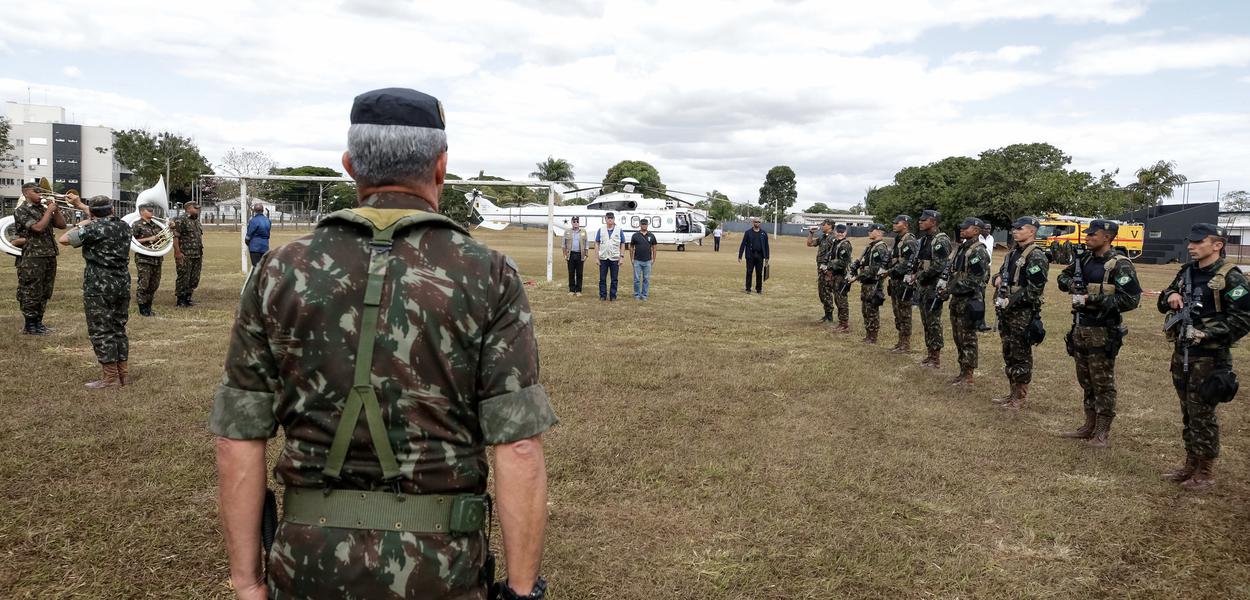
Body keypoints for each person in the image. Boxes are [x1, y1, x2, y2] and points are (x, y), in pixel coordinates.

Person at [211, 87, 557, 600]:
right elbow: (520, 446)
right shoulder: (488, 274)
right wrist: (523, 592)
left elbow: (238, 439)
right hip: (442, 570)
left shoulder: (278, 271)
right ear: (441, 167)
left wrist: (247, 584)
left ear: (351, 165)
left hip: (308, 565)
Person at [1156, 224, 1250, 490]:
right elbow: (1163, 300)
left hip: (1210, 359)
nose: (1191, 246)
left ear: (1217, 245)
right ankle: (1190, 463)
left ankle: (1205, 472)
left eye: (1198, 242)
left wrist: (1206, 333)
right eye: (1191, 242)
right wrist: (1171, 294)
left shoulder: (1231, 277)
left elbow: (1243, 320)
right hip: (1183, 354)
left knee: (1203, 415)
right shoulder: (1187, 272)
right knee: (1188, 412)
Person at [1056, 220, 1142, 448]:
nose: (1088, 237)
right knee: (1086, 380)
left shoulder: (1119, 265)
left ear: (1107, 237)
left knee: (1102, 383)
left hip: (1103, 331)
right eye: (1088, 234)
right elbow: (1061, 278)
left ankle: (1102, 432)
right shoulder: (1083, 259)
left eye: (1093, 235)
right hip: (1080, 327)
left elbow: (1131, 300)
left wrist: (1091, 299)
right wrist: (1072, 286)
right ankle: (1089, 425)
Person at [58, 195, 132, 388]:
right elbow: (103, 219)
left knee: (101, 330)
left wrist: (82, 223)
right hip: (122, 284)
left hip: (99, 286)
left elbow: (64, 239)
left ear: (91, 213)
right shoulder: (124, 226)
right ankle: (123, 374)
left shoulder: (90, 228)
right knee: (118, 328)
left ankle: (110, 378)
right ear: (113, 210)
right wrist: (84, 208)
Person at [991, 216, 1050, 410]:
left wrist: (1011, 300)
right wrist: (997, 279)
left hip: (1022, 312)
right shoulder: (1012, 252)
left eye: (1020, 228)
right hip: (1006, 311)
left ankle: (1020, 396)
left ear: (1032, 231)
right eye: (1014, 228)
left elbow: (1035, 288)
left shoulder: (1035, 255)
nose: (1015, 231)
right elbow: (1000, 274)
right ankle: (1012, 393)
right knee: (1009, 352)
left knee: (1021, 354)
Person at [13, 182, 66, 334]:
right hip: (32, 256)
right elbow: (38, 228)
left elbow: (62, 226)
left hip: (49, 254)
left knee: (45, 290)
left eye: (40, 191)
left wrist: (56, 210)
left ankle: (38, 323)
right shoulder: (21, 211)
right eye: (36, 191)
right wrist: (49, 211)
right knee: (31, 289)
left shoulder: (43, 209)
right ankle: (29, 325)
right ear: (26, 193)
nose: (40, 193)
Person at [946, 217, 992, 387]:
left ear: (977, 231)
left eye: (967, 228)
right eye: (962, 227)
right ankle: (962, 371)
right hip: (958, 299)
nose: (962, 230)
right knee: (958, 337)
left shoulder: (978, 251)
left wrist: (951, 288)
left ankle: (969, 375)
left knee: (968, 338)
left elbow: (976, 280)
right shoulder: (963, 248)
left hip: (969, 300)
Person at [911, 210, 952, 368]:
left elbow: (939, 265)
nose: (920, 222)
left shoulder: (940, 240)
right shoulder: (925, 240)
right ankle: (930, 354)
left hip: (934, 286)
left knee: (934, 322)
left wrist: (921, 275)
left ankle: (936, 357)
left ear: (933, 222)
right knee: (926, 321)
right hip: (924, 286)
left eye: (924, 220)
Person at [849, 223, 889, 343]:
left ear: (878, 232)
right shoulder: (871, 247)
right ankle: (868, 334)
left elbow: (874, 269)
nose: (869, 232)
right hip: (866, 283)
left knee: (871, 310)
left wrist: (856, 277)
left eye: (871, 230)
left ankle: (873, 335)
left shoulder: (880, 248)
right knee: (865, 309)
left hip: (873, 283)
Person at [887, 215, 918, 353]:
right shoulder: (898, 239)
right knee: (897, 312)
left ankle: (906, 343)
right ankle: (900, 341)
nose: (893, 224)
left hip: (903, 282)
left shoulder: (909, 240)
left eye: (896, 222)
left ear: (905, 225)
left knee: (904, 313)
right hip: (895, 281)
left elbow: (908, 263)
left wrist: (889, 271)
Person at [131, 205, 164, 317]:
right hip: (144, 258)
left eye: (152, 210)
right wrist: (148, 239)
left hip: (156, 258)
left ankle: (149, 306)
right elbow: (132, 240)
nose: (151, 212)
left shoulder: (156, 225)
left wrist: (171, 228)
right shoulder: (137, 224)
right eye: (148, 210)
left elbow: (164, 237)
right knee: (144, 284)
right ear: (141, 212)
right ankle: (143, 308)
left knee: (154, 284)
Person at [173, 200, 204, 307]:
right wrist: (177, 252)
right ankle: (181, 300)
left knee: (194, 278)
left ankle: (188, 297)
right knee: (183, 277)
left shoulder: (196, 221)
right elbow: (175, 237)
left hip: (197, 254)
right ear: (188, 209)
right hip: (185, 254)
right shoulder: (181, 220)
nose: (198, 210)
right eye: (195, 208)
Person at [807, 220, 836, 323]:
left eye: (823, 225)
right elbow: (809, 244)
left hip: (828, 270)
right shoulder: (823, 237)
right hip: (820, 269)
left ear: (829, 226)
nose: (821, 226)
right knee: (822, 292)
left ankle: (829, 316)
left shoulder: (833, 238)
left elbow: (834, 255)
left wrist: (829, 269)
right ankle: (826, 314)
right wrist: (811, 233)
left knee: (827, 292)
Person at [594, 211, 626, 301]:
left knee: (614, 279)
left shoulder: (619, 230)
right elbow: (597, 243)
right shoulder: (601, 230)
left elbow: (623, 243)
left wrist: (621, 257)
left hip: (615, 258)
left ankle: (613, 296)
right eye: (608, 218)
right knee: (602, 278)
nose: (610, 220)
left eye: (611, 218)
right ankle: (603, 295)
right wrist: (596, 257)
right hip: (603, 257)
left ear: (614, 219)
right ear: (605, 219)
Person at [738, 216, 769, 294]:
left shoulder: (763, 233)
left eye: (758, 222)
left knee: (759, 273)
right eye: (755, 222)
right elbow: (743, 244)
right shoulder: (748, 232)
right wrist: (740, 256)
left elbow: (766, 246)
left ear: (760, 223)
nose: (757, 223)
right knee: (749, 272)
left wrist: (767, 257)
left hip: (760, 256)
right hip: (750, 255)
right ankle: (748, 288)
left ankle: (759, 289)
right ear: (753, 223)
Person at [630, 218, 658, 300]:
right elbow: (631, 247)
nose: (644, 225)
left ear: (647, 225)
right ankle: (637, 295)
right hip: (637, 260)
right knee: (637, 279)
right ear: (640, 224)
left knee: (646, 279)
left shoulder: (651, 235)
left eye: (645, 224)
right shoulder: (635, 235)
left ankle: (644, 295)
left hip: (648, 261)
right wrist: (631, 258)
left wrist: (654, 259)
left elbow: (654, 247)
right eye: (642, 224)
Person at [562, 216, 588, 296]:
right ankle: (572, 290)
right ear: (572, 222)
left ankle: (579, 290)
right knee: (571, 272)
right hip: (571, 254)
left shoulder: (583, 231)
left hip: (580, 254)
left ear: (579, 223)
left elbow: (586, 244)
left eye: (577, 221)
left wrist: (586, 255)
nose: (576, 223)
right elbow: (563, 244)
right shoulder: (567, 232)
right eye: (574, 221)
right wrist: (565, 255)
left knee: (579, 273)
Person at [976, 223, 995, 332]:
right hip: (978, 268)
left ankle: (981, 322)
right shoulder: (976, 238)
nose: (988, 230)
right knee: (978, 294)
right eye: (986, 228)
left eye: (989, 228)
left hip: (987, 268)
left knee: (982, 293)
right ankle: (979, 322)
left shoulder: (991, 238)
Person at [244, 202, 271, 267]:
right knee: (263, 267)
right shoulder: (268, 220)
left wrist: (248, 243)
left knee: (256, 267)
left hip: (255, 247)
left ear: (254, 211)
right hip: (265, 246)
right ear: (263, 210)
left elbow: (248, 235)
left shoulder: (253, 220)